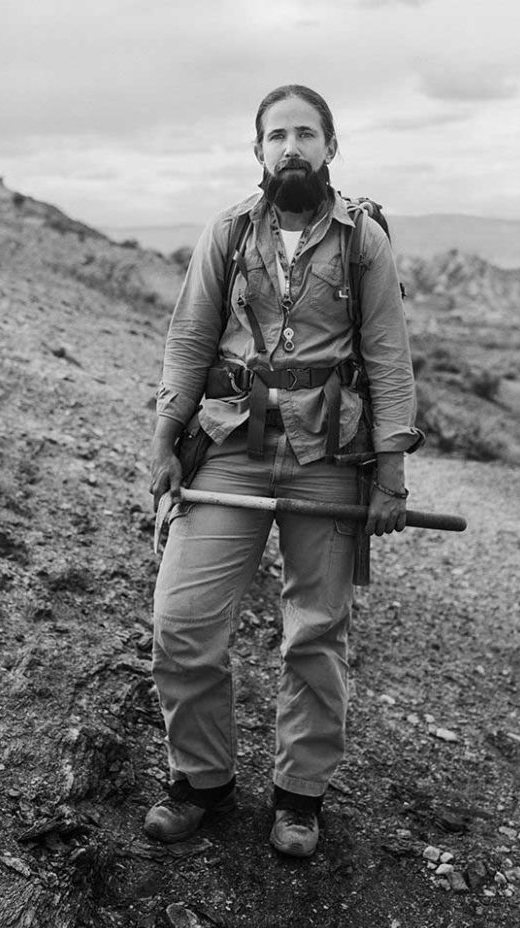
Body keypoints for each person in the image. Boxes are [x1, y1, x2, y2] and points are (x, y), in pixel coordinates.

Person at [144, 84, 423, 858]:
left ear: (331, 147)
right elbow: (190, 338)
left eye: (305, 133)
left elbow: (389, 356)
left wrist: (392, 475)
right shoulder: (228, 231)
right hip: (230, 445)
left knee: (316, 631)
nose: (291, 147)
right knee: (182, 620)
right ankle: (201, 779)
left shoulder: (364, 240)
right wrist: (164, 439)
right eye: (277, 135)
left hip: (329, 454)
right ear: (258, 150)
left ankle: (300, 796)